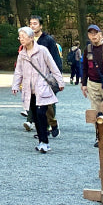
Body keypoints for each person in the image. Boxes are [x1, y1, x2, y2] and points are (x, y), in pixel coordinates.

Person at [11, 25, 62, 153]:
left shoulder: (42, 50)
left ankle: (45, 141)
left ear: (31, 37)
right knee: (35, 115)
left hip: (42, 87)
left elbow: (53, 66)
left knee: (41, 113)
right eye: (20, 37)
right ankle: (41, 141)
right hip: (29, 89)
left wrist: (60, 82)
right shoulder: (22, 54)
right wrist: (15, 85)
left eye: (23, 37)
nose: (21, 39)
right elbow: (19, 71)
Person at [29, 15, 62, 137]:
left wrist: (57, 77)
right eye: (31, 23)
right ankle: (44, 128)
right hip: (33, 76)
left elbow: (55, 59)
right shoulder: (28, 40)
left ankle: (52, 125)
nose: (32, 25)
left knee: (48, 104)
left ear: (41, 26)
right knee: (37, 104)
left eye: (35, 23)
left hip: (46, 76)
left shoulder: (48, 40)